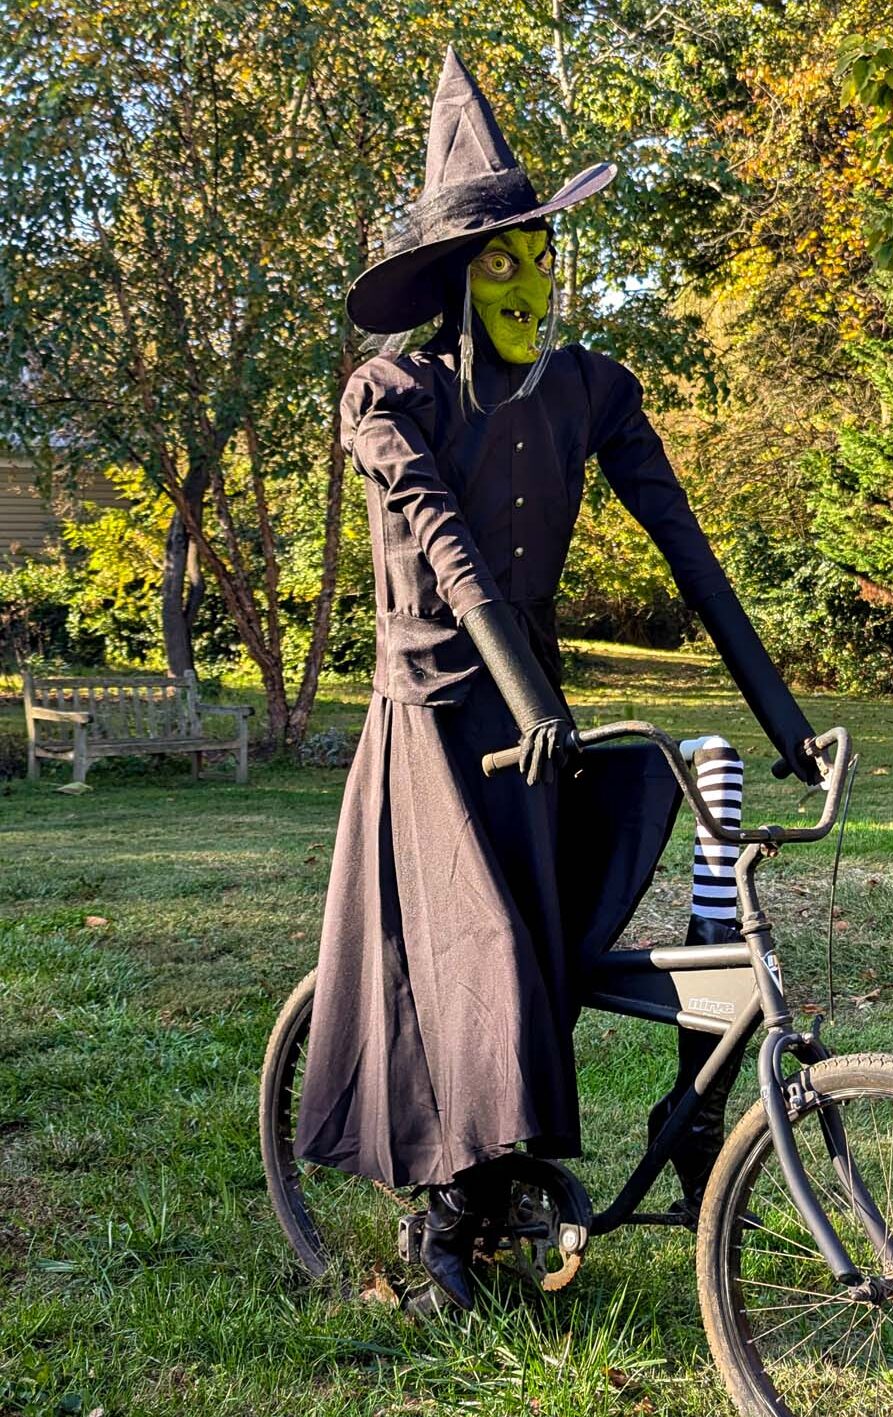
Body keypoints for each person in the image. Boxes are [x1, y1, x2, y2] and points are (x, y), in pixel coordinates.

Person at [294, 47, 819, 1311]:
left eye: (542, 253)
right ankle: (445, 1223)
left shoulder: (590, 388)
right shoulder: (393, 394)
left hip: (535, 709)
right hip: (439, 716)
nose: (529, 278)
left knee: (669, 831)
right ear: (452, 281)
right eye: (499, 258)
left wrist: (786, 720)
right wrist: (525, 700)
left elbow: (683, 544)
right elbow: (444, 540)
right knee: (487, 969)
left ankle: (695, 1117)